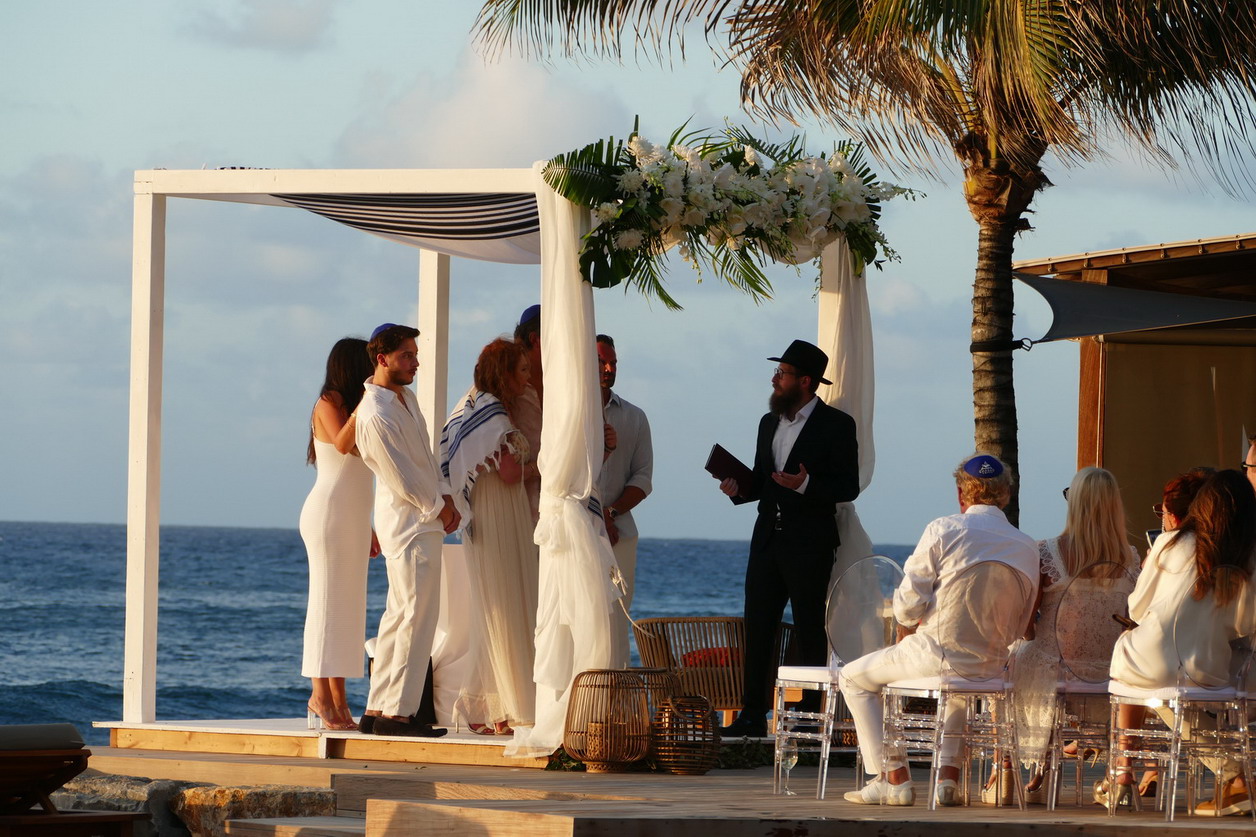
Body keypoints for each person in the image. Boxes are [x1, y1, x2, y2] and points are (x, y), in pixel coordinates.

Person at [840, 453, 1039, 807]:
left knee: (853, 679)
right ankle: (948, 779)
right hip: (992, 664)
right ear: (1006, 494)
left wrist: (906, 625)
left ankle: (891, 776)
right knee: (960, 688)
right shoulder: (1026, 546)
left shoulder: (944, 530)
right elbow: (1023, 624)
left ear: (962, 494)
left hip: (937, 654)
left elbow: (907, 604)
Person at [716, 339, 860, 737]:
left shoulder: (837, 425)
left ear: (806, 381)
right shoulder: (769, 423)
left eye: (782, 374)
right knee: (758, 625)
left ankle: (812, 714)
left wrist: (806, 483)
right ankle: (751, 714)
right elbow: (764, 482)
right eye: (777, 372)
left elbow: (849, 485)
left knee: (810, 627)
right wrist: (739, 489)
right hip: (766, 539)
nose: (774, 380)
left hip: (810, 541)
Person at [1106, 469, 1256, 814]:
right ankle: (1235, 776)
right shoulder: (1246, 556)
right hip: (1206, 664)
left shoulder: (1170, 542)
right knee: (1173, 692)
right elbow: (1245, 623)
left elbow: (1137, 606)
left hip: (1146, 658)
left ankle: (1122, 774)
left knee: (1153, 686)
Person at [999, 467, 1138, 803]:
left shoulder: (1047, 553)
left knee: (1014, 656)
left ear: (1074, 504)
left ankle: (1008, 770)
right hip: (1111, 672)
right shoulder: (1131, 558)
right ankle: (1116, 774)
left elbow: (1026, 624)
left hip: (1055, 668)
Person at [354, 323, 460, 737]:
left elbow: (426, 461)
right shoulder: (375, 412)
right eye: (407, 356)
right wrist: (438, 507)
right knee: (416, 618)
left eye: (415, 354)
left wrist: (445, 498)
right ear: (382, 359)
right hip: (411, 524)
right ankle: (398, 716)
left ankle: (378, 708)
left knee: (400, 617)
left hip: (419, 520)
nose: (415, 362)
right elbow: (402, 476)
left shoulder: (405, 399)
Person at [441, 337, 541, 734]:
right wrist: (545, 463)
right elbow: (509, 473)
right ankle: (505, 708)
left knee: (494, 610)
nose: (527, 377)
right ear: (504, 374)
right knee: (509, 606)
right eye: (522, 370)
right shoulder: (494, 416)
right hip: (500, 517)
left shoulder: (472, 406)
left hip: (489, 515)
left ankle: (490, 710)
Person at [299, 337, 377, 731]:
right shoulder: (329, 402)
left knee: (347, 609)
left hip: (352, 516)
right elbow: (348, 449)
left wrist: (370, 526)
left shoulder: (356, 407)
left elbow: (362, 477)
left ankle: (340, 699)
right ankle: (320, 695)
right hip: (328, 515)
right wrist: (371, 397)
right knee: (326, 605)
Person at [596, 334, 654, 668]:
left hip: (619, 534)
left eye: (613, 362)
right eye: (602, 361)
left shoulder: (634, 417)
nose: (608, 368)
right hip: (574, 532)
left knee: (617, 622)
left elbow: (643, 479)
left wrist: (610, 512)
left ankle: (613, 706)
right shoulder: (562, 412)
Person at [513, 304, 543, 520]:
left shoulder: (563, 383)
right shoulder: (506, 385)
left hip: (562, 511)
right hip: (517, 508)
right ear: (535, 339)